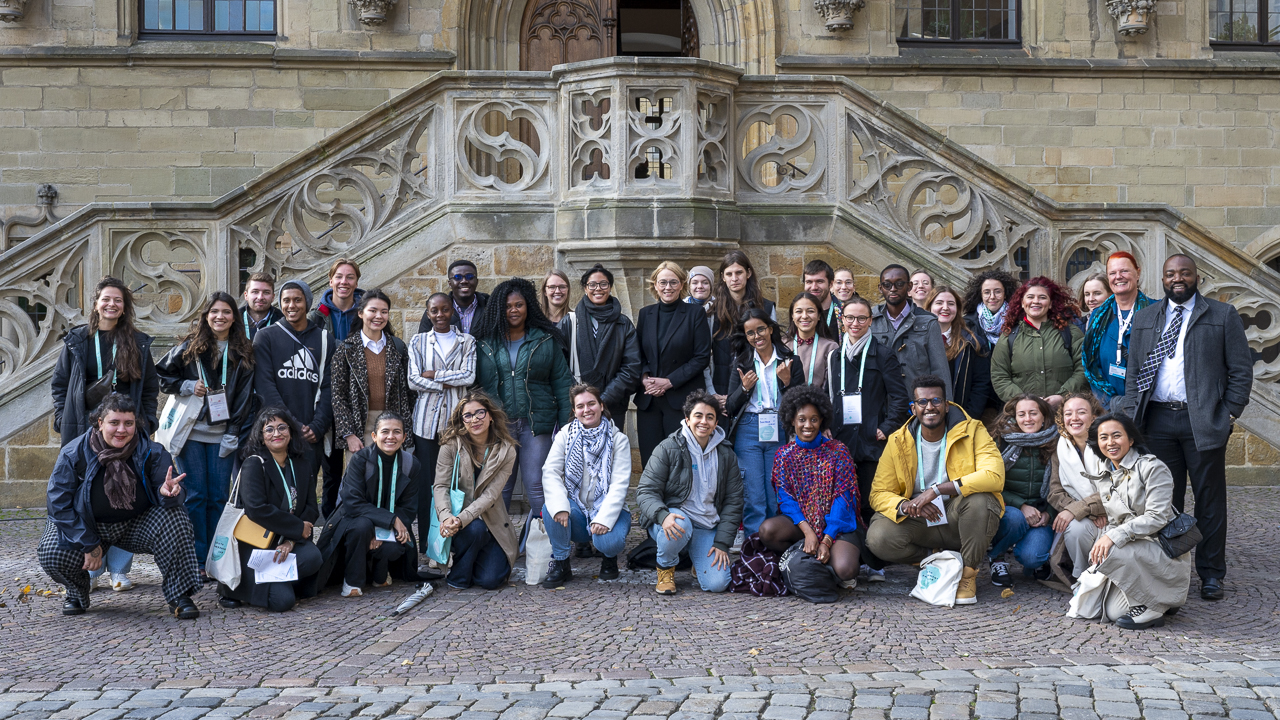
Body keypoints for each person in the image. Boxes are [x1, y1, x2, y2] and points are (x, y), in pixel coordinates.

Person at [1119, 253, 1253, 602]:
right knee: (1164, 501)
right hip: (1157, 421)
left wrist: (1228, 415)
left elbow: (1241, 371)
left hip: (1203, 421)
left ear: (1197, 276)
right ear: (1161, 279)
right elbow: (1134, 375)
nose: (1177, 279)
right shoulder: (1147, 318)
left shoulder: (1222, 316)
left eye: (1184, 273)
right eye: (1170, 274)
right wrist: (1134, 415)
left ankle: (1211, 574)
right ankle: (1169, 571)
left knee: (1209, 500)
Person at [38, 393, 201, 618]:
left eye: (128, 423)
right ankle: (77, 592)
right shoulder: (73, 453)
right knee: (52, 552)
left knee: (176, 518)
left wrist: (169, 493)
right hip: (89, 525)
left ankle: (179, 595)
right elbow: (58, 504)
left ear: (136, 424)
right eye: (114, 422)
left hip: (135, 523)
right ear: (100, 422)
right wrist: (89, 544)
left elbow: (165, 490)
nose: (121, 430)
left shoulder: (152, 452)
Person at [51, 276, 160, 593]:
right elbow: (60, 386)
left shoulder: (137, 342)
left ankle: (120, 569)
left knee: (127, 495)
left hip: (125, 432)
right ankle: (91, 559)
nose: (112, 305)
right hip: (85, 432)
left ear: (124, 307)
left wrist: (147, 422)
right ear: (96, 303)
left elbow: (150, 388)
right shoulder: (77, 341)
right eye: (106, 299)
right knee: (87, 496)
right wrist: (63, 419)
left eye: (118, 300)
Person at [865, 375, 1004, 605]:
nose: (930, 407)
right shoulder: (898, 440)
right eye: (923, 402)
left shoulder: (973, 430)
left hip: (957, 514)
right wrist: (904, 506)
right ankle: (936, 560)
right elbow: (878, 493)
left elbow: (995, 476)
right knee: (878, 537)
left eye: (936, 400)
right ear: (913, 407)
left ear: (946, 406)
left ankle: (967, 574)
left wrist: (938, 490)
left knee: (981, 500)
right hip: (920, 516)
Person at [156, 291, 256, 582]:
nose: (220, 317)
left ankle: (217, 559)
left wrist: (234, 432)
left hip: (223, 434)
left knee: (219, 497)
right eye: (214, 312)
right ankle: (197, 559)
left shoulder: (242, 352)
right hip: (190, 435)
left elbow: (245, 397)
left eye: (226, 312)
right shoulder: (191, 348)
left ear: (234, 317)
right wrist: (187, 385)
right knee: (197, 496)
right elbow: (162, 376)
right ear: (206, 315)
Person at [826, 296, 909, 583]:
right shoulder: (835, 355)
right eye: (850, 318)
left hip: (872, 441)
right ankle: (851, 558)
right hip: (842, 439)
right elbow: (832, 396)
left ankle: (875, 562)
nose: (855, 323)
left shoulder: (882, 354)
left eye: (862, 318)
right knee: (845, 500)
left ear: (870, 321)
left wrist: (886, 427)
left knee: (871, 502)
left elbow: (900, 397)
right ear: (842, 320)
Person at [474, 277, 572, 514]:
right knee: (501, 487)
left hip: (536, 424)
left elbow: (562, 383)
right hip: (499, 425)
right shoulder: (486, 343)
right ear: (499, 309)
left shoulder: (545, 340)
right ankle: (501, 548)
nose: (513, 310)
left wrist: (567, 422)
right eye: (507, 306)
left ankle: (547, 545)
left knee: (537, 485)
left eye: (518, 305)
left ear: (528, 306)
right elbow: (476, 386)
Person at [1085, 412, 1191, 629]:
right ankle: (1163, 599)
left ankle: (1156, 607)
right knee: (1113, 611)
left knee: (1110, 548)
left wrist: (1111, 537)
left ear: (1131, 439)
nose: (1110, 442)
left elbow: (1157, 517)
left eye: (1116, 435)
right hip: (1132, 548)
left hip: (1160, 546)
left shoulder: (1153, 467)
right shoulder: (1105, 472)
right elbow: (1115, 520)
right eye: (1103, 437)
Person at [636, 390, 742, 595]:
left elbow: (734, 501)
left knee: (717, 583)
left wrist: (722, 543)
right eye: (698, 416)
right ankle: (665, 568)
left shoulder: (726, 454)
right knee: (680, 523)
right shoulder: (668, 448)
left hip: (706, 524)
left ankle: (698, 559)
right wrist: (662, 515)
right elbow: (645, 491)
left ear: (716, 422)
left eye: (710, 417)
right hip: (674, 520)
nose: (704, 421)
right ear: (687, 419)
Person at [216, 407, 321, 612]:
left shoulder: (302, 465)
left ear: (291, 432)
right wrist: (297, 527)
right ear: (261, 437)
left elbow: (311, 508)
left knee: (313, 557)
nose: (276, 433)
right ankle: (244, 587)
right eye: (269, 429)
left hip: (287, 541)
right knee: (282, 602)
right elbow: (256, 509)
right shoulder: (254, 464)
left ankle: (273, 579)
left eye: (282, 427)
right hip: (255, 544)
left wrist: (291, 540)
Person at [758, 385, 862, 588]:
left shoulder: (838, 452)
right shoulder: (784, 455)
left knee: (846, 570)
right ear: (792, 421)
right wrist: (808, 533)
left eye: (814, 419)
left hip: (837, 527)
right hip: (803, 523)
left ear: (822, 420)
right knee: (767, 530)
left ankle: (822, 558)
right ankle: (807, 554)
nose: (808, 425)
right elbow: (786, 501)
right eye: (802, 419)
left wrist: (827, 539)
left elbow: (843, 501)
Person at [251, 279, 335, 516]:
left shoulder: (325, 339)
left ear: (307, 303)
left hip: (311, 434)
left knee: (306, 498)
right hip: (277, 431)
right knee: (276, 495)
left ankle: (302, 544)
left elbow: (329, 388)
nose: (291, 305)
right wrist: (290, 425)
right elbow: (266, 387)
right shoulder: (265, 337)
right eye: (286, 300)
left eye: (297, 300)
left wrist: (317, 426)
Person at [316, 412, 422, 597]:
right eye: (385, 431)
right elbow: (353, 503)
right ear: (374, 436)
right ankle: (352, 582)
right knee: (362, 527)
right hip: (355, 520)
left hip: (390, 523)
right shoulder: (360, 460)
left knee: (394, 546)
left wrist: (385, 529)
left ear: (404, 437)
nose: (391, 437)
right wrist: (389, 520)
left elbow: (409, 507)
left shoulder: (411, 464)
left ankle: (379, 575)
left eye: (397, 432)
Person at [540, 384, 633, 587]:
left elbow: (619, 485)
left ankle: (609, 558)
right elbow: (550, 471)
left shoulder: (619, 439)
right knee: (550, 508)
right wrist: (560, 506)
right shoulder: (565, 435)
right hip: (578, 510)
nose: (586, 410)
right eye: (580, 406)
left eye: (591, 403)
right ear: (574, 411)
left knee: (607, 541)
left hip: (610, 509)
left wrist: (604, 518)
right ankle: (562, 562)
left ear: (601, 405)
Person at [407, 292, 476, 555]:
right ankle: (427, 542)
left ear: (452, 312)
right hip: (425, 424)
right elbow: (413, 380)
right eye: (434, 310)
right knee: (428, 485)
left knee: (456, 483)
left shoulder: (467, 341)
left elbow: (469, 376)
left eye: (444, 309)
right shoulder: (418, 341)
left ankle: (454, 541)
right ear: (428, 313)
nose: (439, 315)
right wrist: (450, 380)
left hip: (457, 425)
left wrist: (434, 375)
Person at [725, 307, 803, 534]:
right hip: (749, 428)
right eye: (750, 333)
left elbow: (801, 403)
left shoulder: (790, 360)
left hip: (778, 426)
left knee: (775, 494)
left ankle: (773, 547)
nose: (756, 336)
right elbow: (730, 406)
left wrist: (787, 383)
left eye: (760, 329)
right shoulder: (741, 362)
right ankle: (753, 552)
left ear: (770, 329)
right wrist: (743, 388)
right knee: (754, 495)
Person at [433, 392, 520, 590]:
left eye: (480, 413)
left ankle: (474, 560)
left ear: (490, 416)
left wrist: (462, 519)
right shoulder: (450, 445)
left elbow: (490, 495)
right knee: (475, 529)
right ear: (462, 421)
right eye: (468, 415)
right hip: (456, 524)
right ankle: (459, 577)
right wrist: (447, 517)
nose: (475, 419)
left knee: (491, 580)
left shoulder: (507, 450)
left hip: (491, 523)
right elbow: (440, 486)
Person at [635, 261, 711, 466]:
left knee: (680, 461)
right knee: (651, 462)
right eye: (663, 282)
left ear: (681, 285)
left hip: (681, 399)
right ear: (655, 285)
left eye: (673, 282)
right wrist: (645, 378)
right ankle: (651, 499)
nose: (667, 287)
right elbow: (637, 353)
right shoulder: (645, 314)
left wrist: (669, 382)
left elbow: (701, 357)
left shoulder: (695, 314)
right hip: (649, 400)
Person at [308, 259, 364, 527]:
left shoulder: (366, 311)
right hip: (328, 395)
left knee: (360, 465)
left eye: (350, 277)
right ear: (330, 281)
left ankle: (355, 521)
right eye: (339, 277)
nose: (344, 282)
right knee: (330, 468)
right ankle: (330, 522)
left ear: (356, 281)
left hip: (358, 396)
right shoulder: (316, 316)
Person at [331, 289, 414, 459]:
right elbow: (338, 396)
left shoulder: (398, 347)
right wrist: (349, 434)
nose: (379, 316)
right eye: (373, 311)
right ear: (361, 313)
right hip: (361, 426)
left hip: (393, 426)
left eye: (384, 312)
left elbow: (409, 392)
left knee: (394, 480)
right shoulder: (346, 349)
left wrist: (406, 430)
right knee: (361, 481)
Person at [986, 394, 1059, 587]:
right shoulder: (1000, 441)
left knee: (1033, 557)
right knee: (1015, 518)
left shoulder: (1056, 441)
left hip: (1041, 508)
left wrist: (1048, 514)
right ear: (1015, 418)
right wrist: (1022, 506)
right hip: (1008, 507)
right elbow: (990, 484)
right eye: (1022, 414)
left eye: (1033, 413)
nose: (1028, 419)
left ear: (1044, 416)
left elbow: (1061, 486)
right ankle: (997, 558)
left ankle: (1033, 563)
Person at [565, 264, 641, 431]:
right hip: (578, 408)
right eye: (592, 284)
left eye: (603, 284)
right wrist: (584, 401)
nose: (597, 288)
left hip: (612, 407)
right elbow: (560, 366)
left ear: (610, 287)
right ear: (585, 288)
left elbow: (632, 367)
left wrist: (602, 401)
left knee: (611, 454)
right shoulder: (570, 322)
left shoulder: (623, 324)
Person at [990, 276, 1086, 408]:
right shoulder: (1008, 337)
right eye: (1030, 297)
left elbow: (1083, 368)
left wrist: (1062, 396)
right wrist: (1024, 401)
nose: (1036, 301)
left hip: (1065, 412)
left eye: (1042, 297)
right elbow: (999, 376)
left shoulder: (1071, 333)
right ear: (1022, 303)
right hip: (1024, 416)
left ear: (1051, 303)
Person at [1082, 252, 1154, 410]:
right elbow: (1092, 363)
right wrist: (1109, 403)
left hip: (1150, 407)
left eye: (1124, 271)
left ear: (1138, 273)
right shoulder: (1098, 316)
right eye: (1112, 273)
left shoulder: (1156, 310)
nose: (1118, 276)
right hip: (1109, 407)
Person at [1047, 392, 1108, 579]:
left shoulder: (1109, 443)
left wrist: (1078, 509)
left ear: (1094, 417)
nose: (1074, 418)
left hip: (1116, 514)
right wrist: (1085, 512)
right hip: (1089, 515)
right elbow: (1055, 492)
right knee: (1074, 527)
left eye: (1081, 412)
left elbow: (1115, 489)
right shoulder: (1061, 447)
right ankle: (1081, 578)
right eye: (1068, 413)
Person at [870, 265, 953, 400]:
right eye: (887, 285)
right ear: (880, 288)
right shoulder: (870, 320)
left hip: (918, 404)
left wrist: (946, 408)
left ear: (909, 287)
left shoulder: (928, 322)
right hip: (880, 404)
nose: (893, 289)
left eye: (899, 284)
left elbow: (940, 371)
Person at [710, 251, 776, 398]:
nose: (734, 278)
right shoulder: (713, 311)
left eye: (739, 272)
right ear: (723, 277)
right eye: (729, 274)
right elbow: (705, 356)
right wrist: (712, 393)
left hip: (758, 384)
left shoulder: (766, 308)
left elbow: (773, 350)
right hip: (720, 386)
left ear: (748, 273)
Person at [924, 286, 992, 421]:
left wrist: (967, 417)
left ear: (958, 309)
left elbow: (981, 384)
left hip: (962, 417)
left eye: (951, 304)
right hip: (925, 417)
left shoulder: (973, 344)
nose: (945, 308)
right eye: (939, 303)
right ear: (929, 307)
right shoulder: (918, 342)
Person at [785, 292, 838, 392]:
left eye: (810, 311)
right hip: (787, 404)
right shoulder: (783, 345)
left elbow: (829, 387)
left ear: (818, 316)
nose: (804, 316)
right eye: (799, 311)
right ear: (792, 315)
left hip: (819, 404)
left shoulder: (830, 347)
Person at [420, 259, 489, 335]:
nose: (464, 281)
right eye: (457, 277)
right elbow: (423, 340)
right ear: (450, 284)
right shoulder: (436, 309)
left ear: (477, 281)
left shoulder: (490, 306)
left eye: (469, 277)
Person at [962, 268, 1019, 350]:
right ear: (981, 295)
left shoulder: (1018, 321)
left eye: (997, 291)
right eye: (987, 292)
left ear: (1005, 294)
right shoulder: (967, 324)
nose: (992, 297)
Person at [685, 265, 716, 393]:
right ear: (689, 286)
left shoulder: (721, 309)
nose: (700, 286)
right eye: (695, 282)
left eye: (705, 282)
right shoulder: (682, 309)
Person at [802, 259, 842, 338]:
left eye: (819, 281)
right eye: (809, 282)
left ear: (830, 284)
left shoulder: (844, 313)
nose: (814, 287)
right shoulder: (799, 313)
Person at [240, 272, 283, 341]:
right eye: (255, 292)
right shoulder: (234, 320)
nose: (260, 297)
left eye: (266, 292)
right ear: (246, 295)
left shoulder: (283, 322)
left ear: (273, 297)